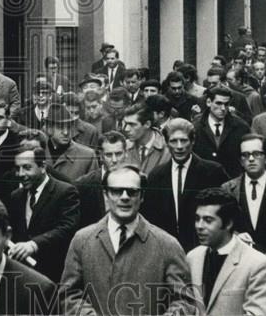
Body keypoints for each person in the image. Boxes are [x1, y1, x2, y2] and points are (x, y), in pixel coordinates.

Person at [62, 165, 203, 315]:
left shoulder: (167, 244)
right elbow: (68, 295)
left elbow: (185, 301)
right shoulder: (82, 240)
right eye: (117, 191)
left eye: (132, 192)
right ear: (105, 195)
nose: (124, 197)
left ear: (142, 196)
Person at [187, 188, 266, 316]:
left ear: (228, 223)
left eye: (208, 220)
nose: (199, 226)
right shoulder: (193, 257)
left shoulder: (258, 264)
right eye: (197, 219)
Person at [143, 118, 228, 251]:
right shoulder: (156, 175)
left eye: (184, 140)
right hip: (167, 250)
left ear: (192, 141)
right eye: (173, 141)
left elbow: (225, 212)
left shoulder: (212, 172)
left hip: (205, 249)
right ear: (166, 143)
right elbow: (150, 218)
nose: (179, 146)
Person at [6, 142, 81, 283]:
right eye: (18, 168)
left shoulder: (65, 192)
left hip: (53, 275)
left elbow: (67, 228)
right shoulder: (16, 196)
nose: (21, 174)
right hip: (22, 275)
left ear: (43, 167)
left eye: (27, 168)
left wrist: (34, 245)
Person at [191, 85, 251, 178]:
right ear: (208, 102)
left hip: (232, 182)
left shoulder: (241, 127)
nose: (223, 108)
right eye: (218, 103)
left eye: (226, 104)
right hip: (203, 181)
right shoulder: (195, 127)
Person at [76, 131, 128, 226]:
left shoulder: (137, 182)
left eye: (118, 154)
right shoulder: (83, 185)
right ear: (100, 156)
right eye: (109, 155)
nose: (114, 160)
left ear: (126, 154)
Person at [44, 106, 99, 182]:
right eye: (60, 127)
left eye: (69, 127)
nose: (66, 132)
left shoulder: (87, 156)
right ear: (49, 128)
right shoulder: (37, 152)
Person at [121, 102, 170, 174]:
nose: (126, 129)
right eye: (125, 124)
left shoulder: (167, 150)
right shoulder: (123, 147)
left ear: (147, 124)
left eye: (132, 124)